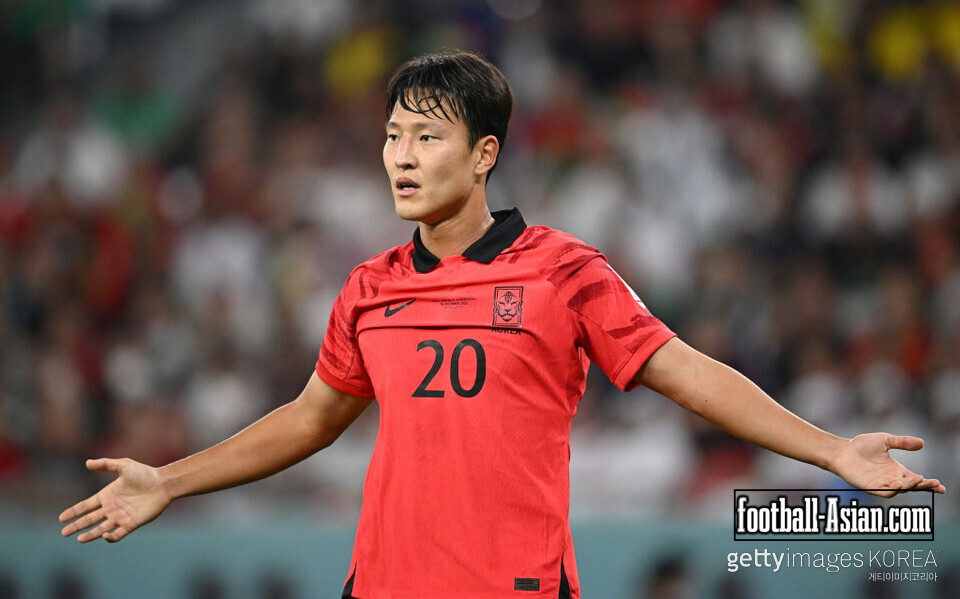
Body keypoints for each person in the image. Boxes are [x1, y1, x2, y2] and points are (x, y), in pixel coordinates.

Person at [59, 51, 945, 598]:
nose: (402, 156)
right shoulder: (369, 286)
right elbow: (308, 419)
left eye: (427, 137)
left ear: (485, 154)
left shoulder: (566, 270)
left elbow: (686, 369)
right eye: (393, 135)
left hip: (515, 589)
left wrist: (828, 448)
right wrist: (170, 481)